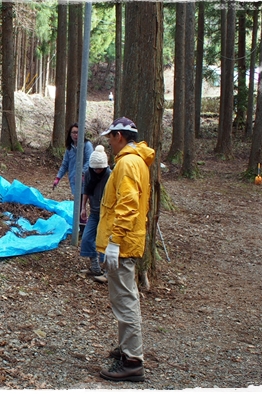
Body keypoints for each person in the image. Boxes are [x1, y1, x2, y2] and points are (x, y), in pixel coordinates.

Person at [96, 116, 154, 382]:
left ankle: (132, 360)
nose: (109, 142)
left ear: (120, 136)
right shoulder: (133, 161)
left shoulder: (128, 163)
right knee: (122, 299)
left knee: (125, 301)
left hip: (123, 245)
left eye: (110, 137)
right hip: (125, 243)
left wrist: (115, 241)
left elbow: (128, 206)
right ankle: (126, 350)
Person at [79, 145, 111, 284]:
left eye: (100, 168)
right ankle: (95, 267)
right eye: (95, 168)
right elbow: (86, 190)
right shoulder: (88, 172)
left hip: (107, 213)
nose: (97, 171)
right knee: (86, 238)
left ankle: (108, 272)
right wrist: (83, 207)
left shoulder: (110, 175)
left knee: (105, 242)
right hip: (94, 212)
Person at [53, 123, 94, 229]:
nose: (76, 135)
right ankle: (82, 227)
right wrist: (58, 178)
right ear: (70, 134)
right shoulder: (69, 148)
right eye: (74, 132)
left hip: (88, 180)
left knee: (90, 204)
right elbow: (65, 164)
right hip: (75, 181)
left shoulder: (87, 145)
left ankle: (89, 227)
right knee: (79, 205)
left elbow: (89, 161)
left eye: (78, 132)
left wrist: (82, 173)